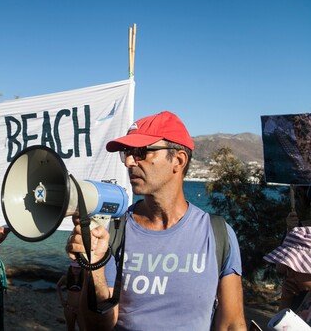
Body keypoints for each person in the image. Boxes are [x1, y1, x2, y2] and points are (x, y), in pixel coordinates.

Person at [66, 111, 247, 330]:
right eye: (127, 153)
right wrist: (94, 268)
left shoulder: (218, 233)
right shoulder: (115, 230)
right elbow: (97, 326)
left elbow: (232, 323)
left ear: (178, 160)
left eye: (141, 152)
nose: (130, 162)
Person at [264, 226, 311, 313]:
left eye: (293, 269)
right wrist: (286, 299)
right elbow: (283, 325)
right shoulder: (305, 297)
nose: (289, 275)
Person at [56, 260, 84, 331]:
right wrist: (62, 300)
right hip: (69, 308)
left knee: (83, 328)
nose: (76, 270)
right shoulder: (66, 278)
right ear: (71, 267)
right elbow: (58, 286)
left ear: (81, 269)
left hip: (81, 309)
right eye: (74, 267)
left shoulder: (84, 279)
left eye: (78, 268)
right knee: (70, 328)